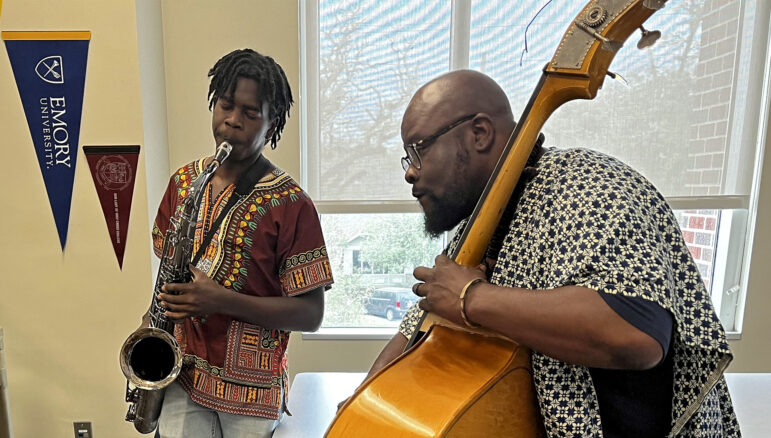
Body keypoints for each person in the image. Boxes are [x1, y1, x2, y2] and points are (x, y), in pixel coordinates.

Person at [357, 70, 740, 437]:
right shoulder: (480, 223)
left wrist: (471, 297)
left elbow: (637, 332)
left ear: (479, 133)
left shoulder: (587, 184)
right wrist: (366, 407)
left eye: (418, 149)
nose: (410, 172)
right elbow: (418, 329)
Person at [144, 48, 334, 438]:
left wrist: (221, 301)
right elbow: (170, 270)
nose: (232, 121)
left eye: (251, 113)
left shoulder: (293, 204)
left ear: (273, 122)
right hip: (183, 371)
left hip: (252, 390)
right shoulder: (184, 182)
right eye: (226, 106)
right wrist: (152, 321)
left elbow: (311, 315)